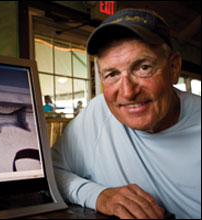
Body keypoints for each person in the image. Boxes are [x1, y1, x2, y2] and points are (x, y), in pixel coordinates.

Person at [52, 8, 201, 219]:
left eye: (143, 67)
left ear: (174, 68)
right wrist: (99, 196)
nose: (128, 92)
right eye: (112, 74)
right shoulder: (98, 113)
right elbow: (51, 173)